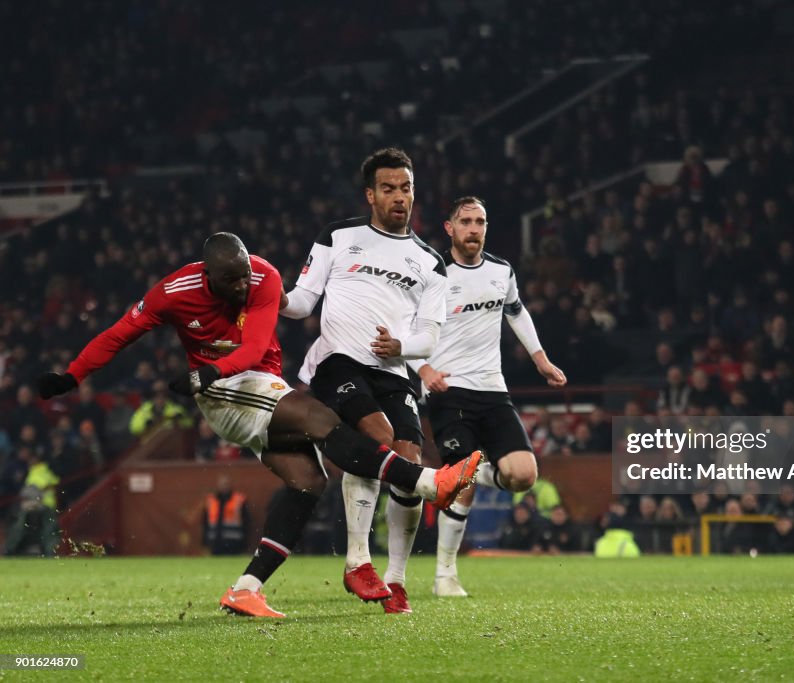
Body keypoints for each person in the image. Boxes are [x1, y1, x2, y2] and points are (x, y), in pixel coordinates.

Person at [38, 232, 480, 618]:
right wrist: (71, 376)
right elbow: (118, 334)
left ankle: (246, 590)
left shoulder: (263, 277)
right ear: (208, 275)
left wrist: (206, 371)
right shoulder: (174, 291)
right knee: (323, 420)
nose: (241, 286)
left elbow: (252, 350)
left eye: (244, 275)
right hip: (225, 395)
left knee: (309, 482)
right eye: (230, 280)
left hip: (251, 379)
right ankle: (428, 484)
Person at [280, 148, 453, 614]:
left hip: (393, 371)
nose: (400, 197)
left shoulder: (430, 263)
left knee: (409, 460)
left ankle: (395, 579)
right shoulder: (339, 236)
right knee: (376, 435)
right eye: (390, 189)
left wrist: (402, 347)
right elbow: (301, 301)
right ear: (371, 194)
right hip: (339, 362)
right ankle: (357, 560)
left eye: (407, 188)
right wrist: (268, 296)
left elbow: (430, 338)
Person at [405, 196, 566, 597]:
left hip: (493, 390)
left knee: (523, 476)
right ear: (450, 228)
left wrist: (541, 360)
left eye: (480, 222)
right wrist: (423, 370)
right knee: (464, 483)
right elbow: (402, 328)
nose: (474, 229)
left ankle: (468, 470)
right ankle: (445, 575)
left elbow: (516, 311)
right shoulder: (431, 274)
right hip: (448, 389)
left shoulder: (501, 270)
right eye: (466, 222)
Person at [203, 475, 250, 555]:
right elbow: (205, 523)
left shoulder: (238, 500)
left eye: (226, 484)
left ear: (230, 485)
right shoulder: (211, 501)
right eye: (222, 484)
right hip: (215, 542)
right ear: (218, 486)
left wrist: (245, 541)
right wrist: (205, 541)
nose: (224, 487)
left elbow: (246, 522)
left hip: (234, 543)